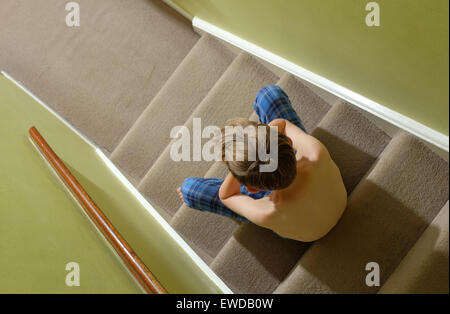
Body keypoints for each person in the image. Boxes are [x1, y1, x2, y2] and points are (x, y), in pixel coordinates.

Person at [177, 86, 347, 242]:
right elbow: (282, 124)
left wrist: (243, 168)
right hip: (338, 200)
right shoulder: (315, 153)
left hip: (305, 228)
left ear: (252, 188)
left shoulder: (267, 212)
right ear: (288, 141)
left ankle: (187, 195)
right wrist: (262, 145)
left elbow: (226, 195)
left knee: (189, 190)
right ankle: (271, 148)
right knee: (269, 94)